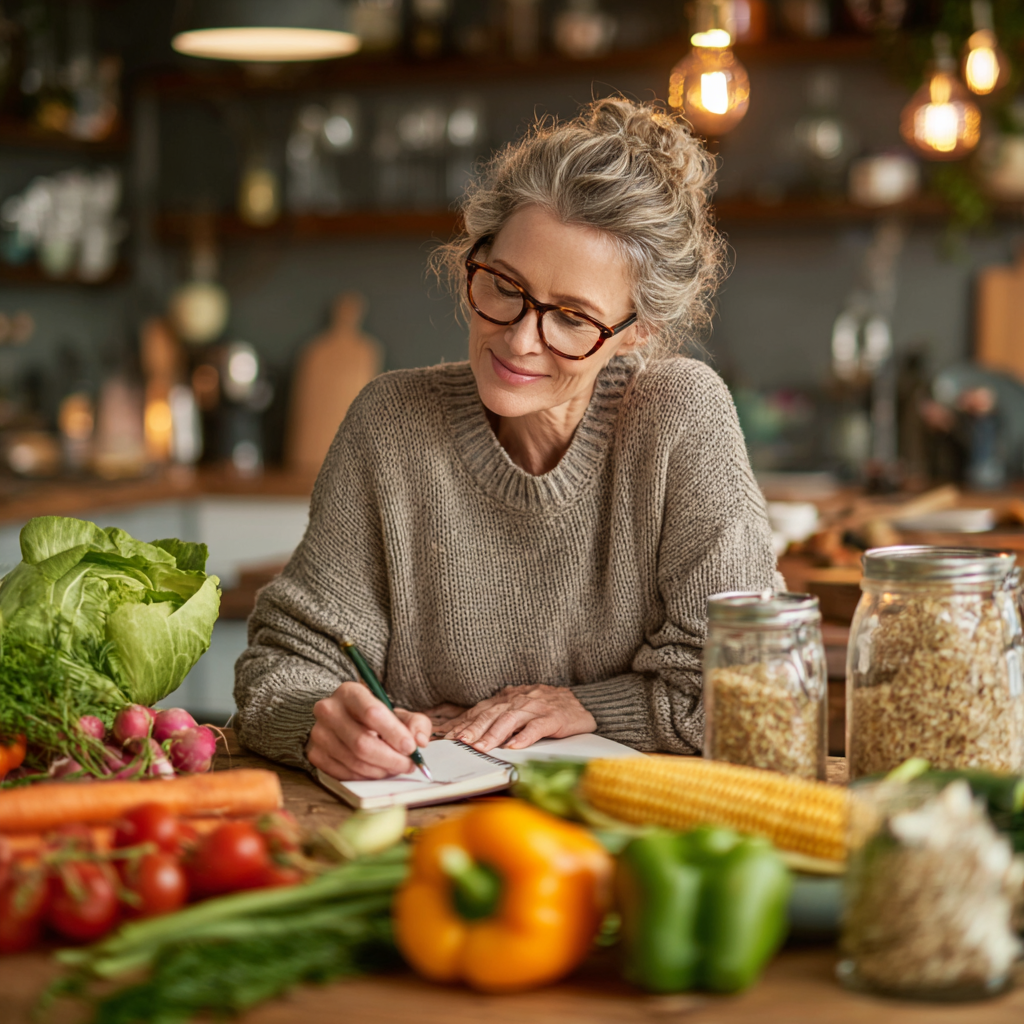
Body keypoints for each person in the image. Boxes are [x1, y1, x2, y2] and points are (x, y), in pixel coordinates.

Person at [234, 98, 780, 781]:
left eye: (573, 318)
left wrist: (589, 708)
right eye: (505, 286)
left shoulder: (680, 418)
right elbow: (280, 668)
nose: (520, 340)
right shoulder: (391, 424)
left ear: (637, 330)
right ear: (477, 259)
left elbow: (751, 688)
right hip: (416, 826)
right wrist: (321, 722)